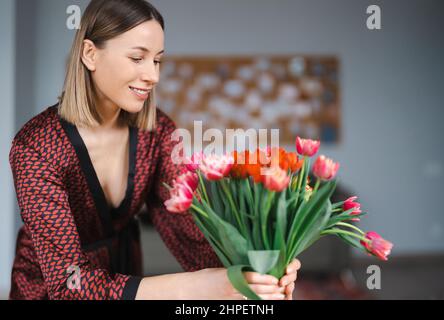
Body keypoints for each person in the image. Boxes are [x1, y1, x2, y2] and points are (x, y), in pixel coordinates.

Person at [9, 0, 300, 300]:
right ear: (90, 54)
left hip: (124, 274)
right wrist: (195, 287)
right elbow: (68, 286)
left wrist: (258, 272)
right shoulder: (35, 147)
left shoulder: (158, 132)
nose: (153, 76)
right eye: (137, 58)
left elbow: (191, 236)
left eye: (157, 60)